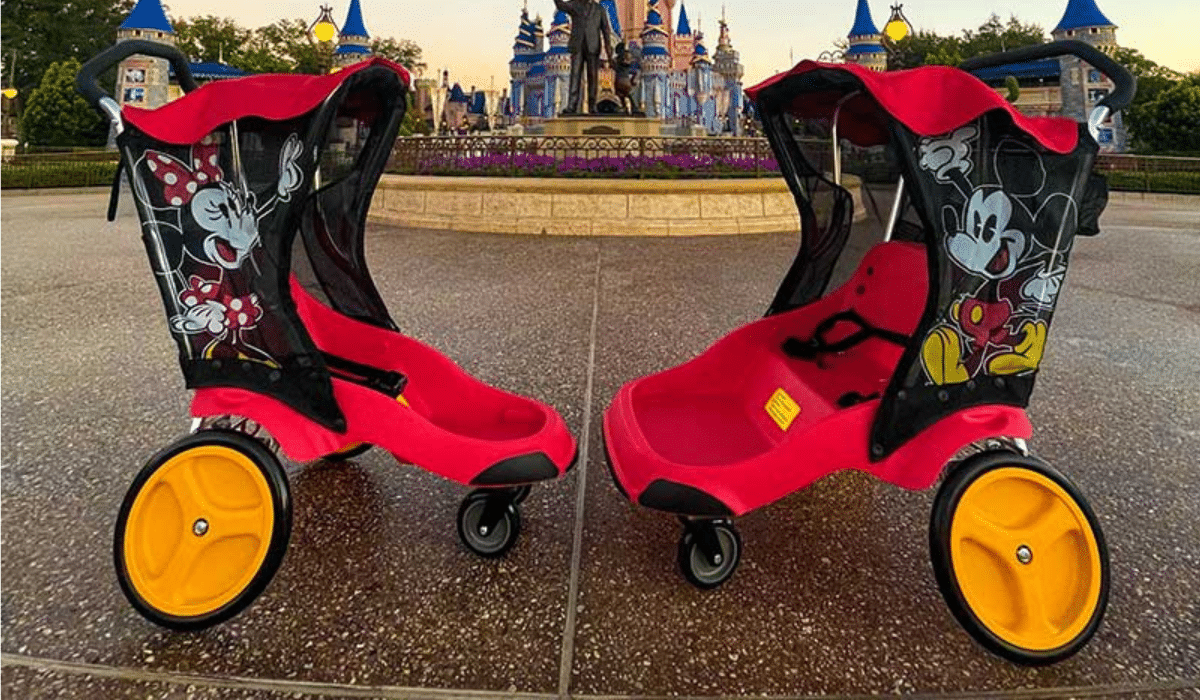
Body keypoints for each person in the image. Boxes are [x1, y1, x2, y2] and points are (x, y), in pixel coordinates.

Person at [553, 0, 613, 115]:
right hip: (578, 46)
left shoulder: (599, 9)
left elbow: (606, 30)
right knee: (575, 75)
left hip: (593, 46)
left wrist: (609, 50)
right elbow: (561, 5)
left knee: (593, 77)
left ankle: (593, 105)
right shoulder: (575, 4)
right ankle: (572, 105)